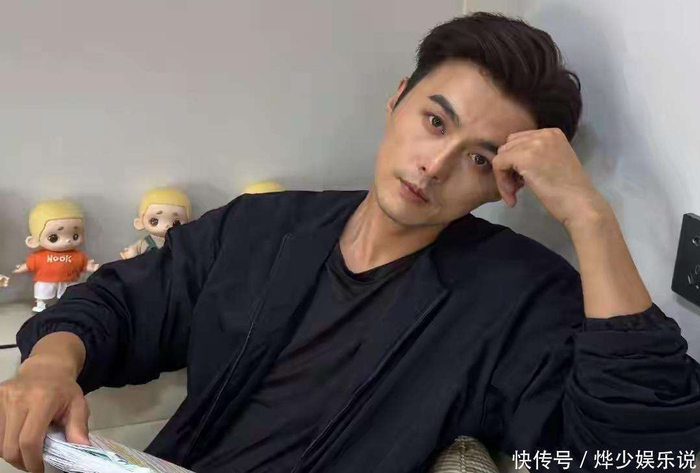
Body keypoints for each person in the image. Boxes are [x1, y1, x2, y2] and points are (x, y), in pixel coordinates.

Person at [2, 11, 700, 473]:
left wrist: (590, 217)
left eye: (480, 158)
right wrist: (49, 366)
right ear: (396, 100)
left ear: (505, 185)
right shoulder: (262, 228)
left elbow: (638, 452)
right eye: (434, 121)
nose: (435, 165)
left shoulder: (515, 298)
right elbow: (122, 302)